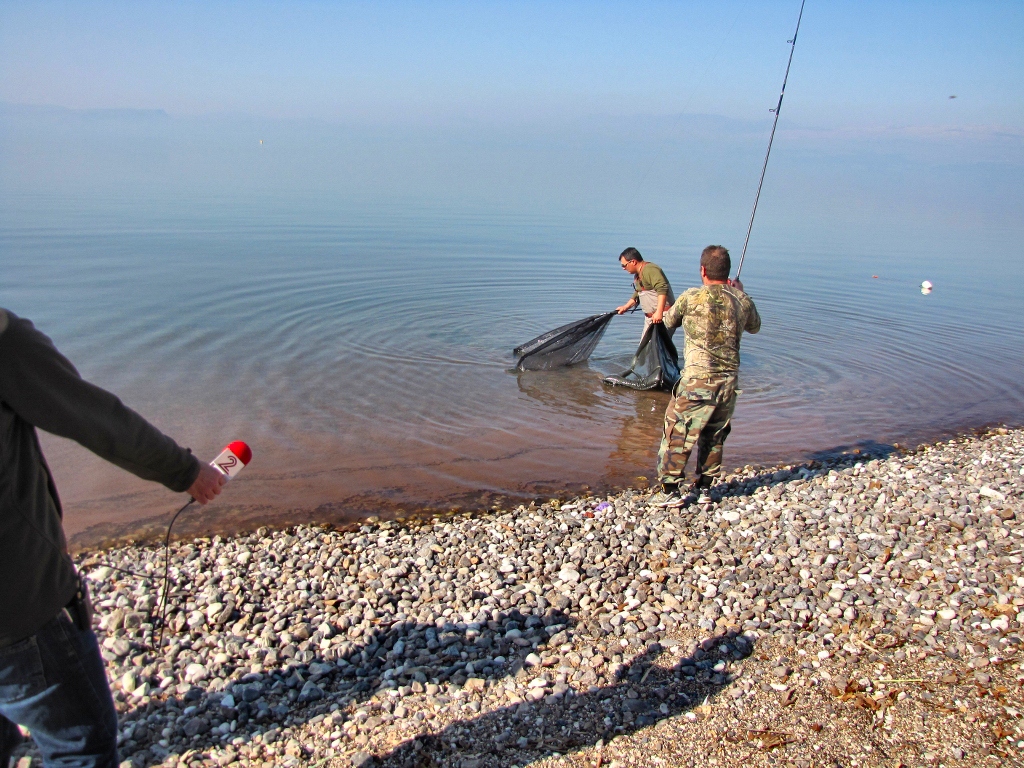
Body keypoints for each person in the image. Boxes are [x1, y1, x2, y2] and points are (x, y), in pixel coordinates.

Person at [0, 308, 228, 768]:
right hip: (18, 608)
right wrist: (187, 472)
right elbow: (95, 419)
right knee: (79, 747)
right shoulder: (2, 338)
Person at [647, 245, 760, 508]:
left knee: (677, 432)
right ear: (728, 272)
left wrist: (657, 313)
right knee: (715, 434)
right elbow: (755, 326)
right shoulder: (742, 300)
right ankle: (705, 488)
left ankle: (669, 491)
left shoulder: (690, 298)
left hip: (698, 380)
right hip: (728, 383)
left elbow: (667, 321)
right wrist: (740, 292)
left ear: (703, 270)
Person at [614, 247, 675, 336]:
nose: (623, 268)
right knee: (645, 348)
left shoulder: (650, 269)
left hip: (663, 317)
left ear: (633, 262)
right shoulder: (639, 274)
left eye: (624, 265)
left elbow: (662, 289)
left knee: (656, 348)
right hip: (651, 319)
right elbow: (639, 294)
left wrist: (659, 312)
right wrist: (625, 307)